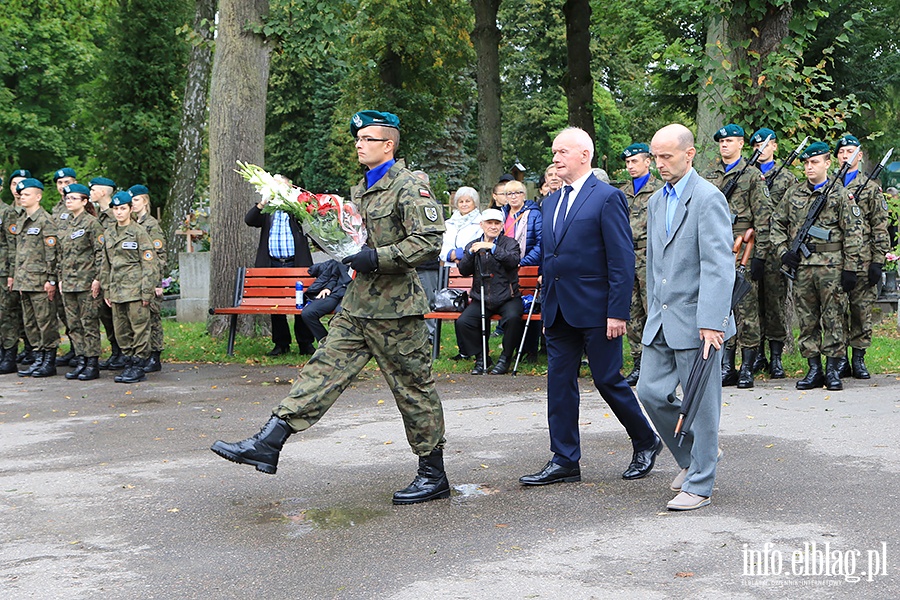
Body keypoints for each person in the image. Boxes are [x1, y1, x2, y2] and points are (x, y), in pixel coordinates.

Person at [212, 110, 451, 506]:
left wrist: (375, 258)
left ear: (388, 145)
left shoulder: (409, 187)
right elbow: (354, 237)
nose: (359, 143)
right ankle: (269, 442)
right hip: (358, 306)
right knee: (322, 369)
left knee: (413, 390)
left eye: (368, 139)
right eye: (358, 138)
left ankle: (433, 473)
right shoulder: (362, 188)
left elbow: (428, 241)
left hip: (396, 311)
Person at [519, 127, 661, 488]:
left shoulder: (606, 197)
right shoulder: (549, 202)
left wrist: (618, 312)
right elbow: (551, 259)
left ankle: (646, 439)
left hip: (598, 311)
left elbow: (621, 258)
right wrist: (547, 309)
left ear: (585, 155)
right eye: (554, 152)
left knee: (608, 380)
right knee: (559, 384)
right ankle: (565, 459)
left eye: (562, 152)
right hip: (559, 311)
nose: (555, 158)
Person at [636, 123, 736, 511]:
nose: (659, 164)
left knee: (701, 405)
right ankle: (692, 457)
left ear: (689, 154)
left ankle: (700, 483)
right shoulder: (656, 200)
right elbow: (653, 265)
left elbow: (718, 265)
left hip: (699, 321)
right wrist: (650, 312)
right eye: (655, 156)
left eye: (667, 156)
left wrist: (713, 320)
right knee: (649, 391)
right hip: (661, 319)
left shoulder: (708, 198)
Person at [769, 142, 862, 391]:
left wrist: (851, 269)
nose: (809, 167)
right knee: (807, 320)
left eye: (815, 162)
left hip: (832, 267)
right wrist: (783, 253)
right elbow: (776, 224)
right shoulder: (794, 194)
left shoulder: (840, 194)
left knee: (834, 319)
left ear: (827, 164)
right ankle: (813, 369)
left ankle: (833, 370)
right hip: (802, 268)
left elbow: (853, 233)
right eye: (806, 163)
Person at [703, 123, 769, 389]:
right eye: (721, 142)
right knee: (722, 308)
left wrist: (760, 257)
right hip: (715, 248)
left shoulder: (752, 175)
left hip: (743, 248)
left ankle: (748, 366)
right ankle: (726, 365)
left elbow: (763, 217)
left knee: (746, 309)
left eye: (730, 141)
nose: (725, 145)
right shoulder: (709, 174)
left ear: (741, 144)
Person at [833, 135, 890, 379]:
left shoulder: (870, 188)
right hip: (834, 260)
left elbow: (880, 226)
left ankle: (858, 358)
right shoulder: (830, 185)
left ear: (860, 156)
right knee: (835, 311)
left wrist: (878, 261)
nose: (846, 155)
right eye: (842, 151)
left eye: (850, 151)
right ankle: (839, 359)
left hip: (863, 260)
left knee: (860, 310)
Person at [245, 177, 316, 356]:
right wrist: (263, 202)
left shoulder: (296, 208)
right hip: (273, 263)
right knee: (275, 305)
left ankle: (305, 343)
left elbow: (312, 218)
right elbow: (249, 220)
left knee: (302, 303)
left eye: (281, 186)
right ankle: (281, 343)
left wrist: (297, 202)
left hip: (296, 262)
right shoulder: (268, 210)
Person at [749, 128, 797, 379]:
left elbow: (792, 215)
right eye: (756, 146)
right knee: (752, 305)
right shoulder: (748, 176)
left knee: (775, 304)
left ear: (775, 148)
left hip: (776, 251)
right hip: (751, 248)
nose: (760, 149)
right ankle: (757, 354)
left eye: (765, 145)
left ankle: (776, 357)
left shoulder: (787, 178)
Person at [455, 208, 524, 375]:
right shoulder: (472, 245)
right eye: (489, 223)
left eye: (497, 223)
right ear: (482, 225)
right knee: (464, 322)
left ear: (501, 226)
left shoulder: (510, 243)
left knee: (514, 318)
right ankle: (481, 357)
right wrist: (470, 254)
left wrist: (492, 248)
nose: (493, 226)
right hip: (482, 298)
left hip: (508, 297)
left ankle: (505, 358)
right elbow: (463, 270)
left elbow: (513, 260)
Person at [100, 191, 158, 384]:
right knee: (121, 329)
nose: (119, 213)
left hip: (135, 289)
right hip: (117, 290)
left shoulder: (139, 232)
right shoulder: (109, 233)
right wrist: (106, 289)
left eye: (123, 208)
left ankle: (139, 364)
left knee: (140, 328)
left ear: (130, 209)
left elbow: (149, 263)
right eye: (115, 209)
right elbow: (106, 264)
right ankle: (128, 360)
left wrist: (147, 291)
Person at [618, 142, 662, 386]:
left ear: (648, 162)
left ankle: (660, 363)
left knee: (653, 309)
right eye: (627, 162)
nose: (630, 166)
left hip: (650, 256)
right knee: (632, 312)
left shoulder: (660, 189)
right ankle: (639, 362)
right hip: (627, 256)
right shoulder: (621, 193)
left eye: (635, 161)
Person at [11, 179, 60, 378]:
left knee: (45, 322)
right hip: (25, 280)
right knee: (30, 322)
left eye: (27, 194)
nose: (22, 197)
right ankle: (38, 357)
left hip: (40, 281)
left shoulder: (45, 220)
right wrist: (17, 278)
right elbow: (20, 253)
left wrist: (51, 279)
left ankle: (49, 360)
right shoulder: (22, 220)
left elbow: (52, 253)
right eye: (21, 195)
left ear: (38, 197)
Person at [57, 183, 104, 380]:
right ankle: (81, 359)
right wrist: (60, 278)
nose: (69, 201)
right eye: (67, 198)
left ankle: (92, 363)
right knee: (73, 324)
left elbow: (100, 252)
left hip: (86, 282)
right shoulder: (66, 224)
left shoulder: (92, 224)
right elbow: (60, 254)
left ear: (85, 201)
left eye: (73, 198)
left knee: (88, 323)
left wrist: (98, 278)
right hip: (68, 283)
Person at [129, 185, 167, 373]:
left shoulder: (151, 225)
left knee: (153, 319)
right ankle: (144, 354)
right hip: (138, 279)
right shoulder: (134, 224)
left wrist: (157, 283)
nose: (133, 204)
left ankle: (155, 355)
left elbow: (159, 256)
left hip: (150, 280)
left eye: (135, 200)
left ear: (144, 201)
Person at [89, 177, 124, 370]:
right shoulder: (97, 216)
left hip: (116, 273)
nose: (91, 193)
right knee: (105, 314)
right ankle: (115, 350)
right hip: (103, 271)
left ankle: (124, 351)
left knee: (117, 315)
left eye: (93, 190)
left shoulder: (113, 215)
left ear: (103, 192)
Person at [301, 259, 350, 342]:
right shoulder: (342, 256)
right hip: (335, 292)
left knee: (339, 317)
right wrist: (327, 288)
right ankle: (325, 343)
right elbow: (335, 276)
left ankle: (337, 346)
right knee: (308, 313)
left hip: (351, 295)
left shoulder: (365, 258)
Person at [440, 187, 482, 264]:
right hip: (449, 268)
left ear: (475, 203)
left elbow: (479, 246)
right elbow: (441, 246)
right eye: (461, 202)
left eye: (468, 201)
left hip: (471, 267)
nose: (464, 204)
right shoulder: (448, 223)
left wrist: (460, 255)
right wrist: (450, 255)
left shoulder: (481, 223)